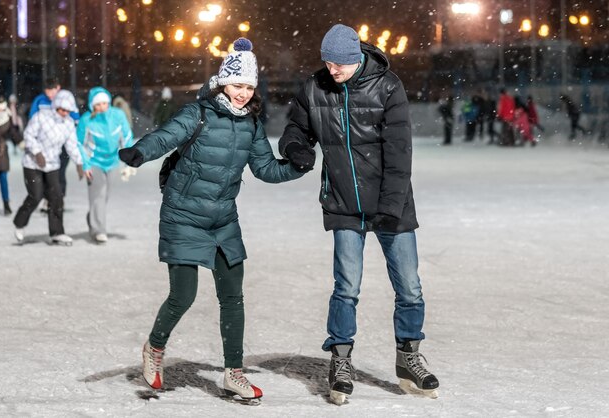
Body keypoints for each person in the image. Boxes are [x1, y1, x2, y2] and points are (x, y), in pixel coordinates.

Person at [118, 38, 304, 402]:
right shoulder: (198, 114)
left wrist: (296, 166)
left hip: (222, 219)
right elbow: (165, 136)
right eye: (238, 85)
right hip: (183, 215)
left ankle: (233, 373)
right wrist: (141, 151)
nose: (243, 94)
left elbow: (265, 168)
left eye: (250, 87)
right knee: (182, 296)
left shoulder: (250, 125)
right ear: (222, 83)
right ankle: (154, 349)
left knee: (232, 295)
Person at [278, 24, 439, 404]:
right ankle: (341, 359)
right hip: (343, 202)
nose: (332, 70)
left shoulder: (387, 86)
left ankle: (409, 357)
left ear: (357, 58)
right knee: (346, 287)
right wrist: (296, 148)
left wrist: (389, 206)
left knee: (410, 287)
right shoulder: (315, 87)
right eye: (327, 63)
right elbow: (294, 130)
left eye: (340, 64)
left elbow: (400, 153)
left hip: (391, 204)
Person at [13, 90, 86, 245]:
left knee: (57, 197)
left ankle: (57, 232)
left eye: (68, 110)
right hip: (32, 163)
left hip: (52, 164)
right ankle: (19, 223)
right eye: (62, 109)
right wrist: (37, 152)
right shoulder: (40, 117)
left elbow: (72, 145)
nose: (65, 113)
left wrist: (79, 163)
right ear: (56, 106)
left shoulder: (68, 124)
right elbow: (28, 135)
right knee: (36, 195)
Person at [77, 87, 134, 243]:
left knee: (104, 196)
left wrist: (130, 161)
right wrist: (85, 165)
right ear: (92, 105)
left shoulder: (118, 115)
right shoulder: (87, 120)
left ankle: (93, 217)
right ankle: (98, 230)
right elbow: (79, 144)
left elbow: (127, 136)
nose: (102, 106)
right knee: (99, 195)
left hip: (113, 162)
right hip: (94, 162)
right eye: (98, 104)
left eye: (105, 103)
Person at [0, 96, 23, 216]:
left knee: (4, 179)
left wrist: (21, 143)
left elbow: (13, 132)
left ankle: (6, 205)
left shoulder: (8, 116)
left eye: (1, 109)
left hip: (2, 151)